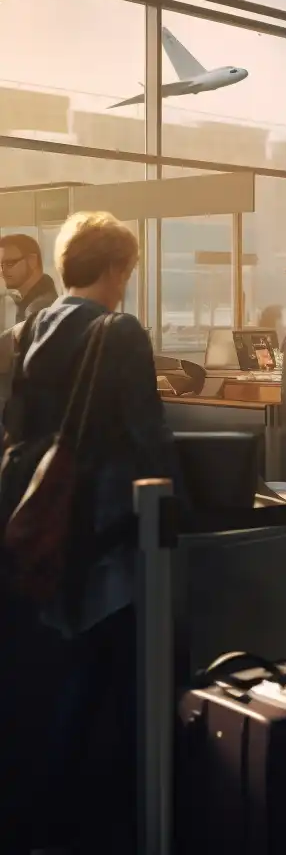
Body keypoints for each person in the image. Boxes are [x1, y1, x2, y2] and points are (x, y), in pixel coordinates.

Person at [1, 211, 178, 853]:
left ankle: (39, 810)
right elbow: (146, 434)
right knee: (112, 667)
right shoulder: (119, 330)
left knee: (54, 659)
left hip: (39, 515)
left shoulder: (29, 328)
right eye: (127, 268)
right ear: (116, 268)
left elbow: (18, 422)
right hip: (105, 523)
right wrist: (177, 507)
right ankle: (108, 812)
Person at [1, 232, 59, 322]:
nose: (2, 271)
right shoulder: (31, 302)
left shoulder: (39, 309)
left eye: (10, 263)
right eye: (1, 265)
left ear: (32, 261)